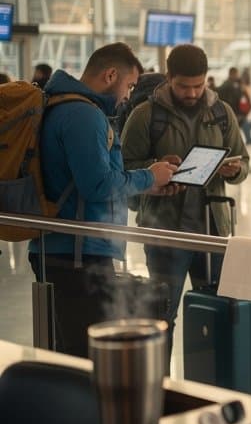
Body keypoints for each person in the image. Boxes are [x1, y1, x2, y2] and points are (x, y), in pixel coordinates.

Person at [27, 43, 178, 357]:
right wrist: (150, 177)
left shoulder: (59, 104)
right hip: (79, 255)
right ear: (111, 75)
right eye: (129, 85)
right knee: (88, 355)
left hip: (64, 248)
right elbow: (97, 185)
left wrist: (144, 183)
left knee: (70, 349)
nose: (127, 95)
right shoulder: (84, 114)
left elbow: (93, 178)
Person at [121, 44, 248, 343]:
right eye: (183, 86)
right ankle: (160, 386)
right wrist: (155, 168)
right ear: (168, 78)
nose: (192, 93)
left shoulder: (221, 113)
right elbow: (123, 169)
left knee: (217, 315)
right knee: (162, 319)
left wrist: (235, 170)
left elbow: (243, 160)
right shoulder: (146, 116)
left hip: (213, 233)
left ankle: (212, 388)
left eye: (198, 85)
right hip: (165, 234)